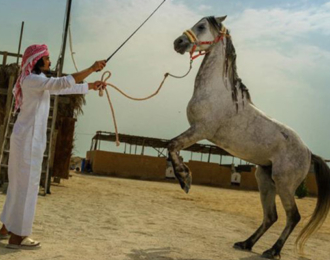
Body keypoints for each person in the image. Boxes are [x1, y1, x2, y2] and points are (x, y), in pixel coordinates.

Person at [0, 44, 107, 249]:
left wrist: (91, 86)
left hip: (25, 140)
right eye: (46, 59)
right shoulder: (33, 80)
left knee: (17, 186)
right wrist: (92, 67)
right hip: (28, 142)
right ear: (38, 61)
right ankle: (17, 237)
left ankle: (5, 229)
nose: (49, 62)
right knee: (27, 187)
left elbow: (64, 86)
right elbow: (61, 83)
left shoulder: (36, 81)